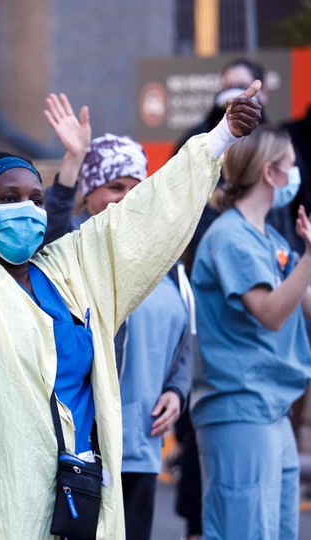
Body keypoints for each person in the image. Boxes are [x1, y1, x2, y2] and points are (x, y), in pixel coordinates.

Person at [0, 31, 261, 539]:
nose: (25, 209)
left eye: (35, 200)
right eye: (7, 199)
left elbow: (142, 218)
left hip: (74, 495)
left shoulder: (68, 271)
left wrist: (220, 137)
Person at [43, 112, 193, 540]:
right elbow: (53, 232)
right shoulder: (75, 252)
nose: (127, 198)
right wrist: (73, 160)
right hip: (89, 448)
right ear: (89, 193)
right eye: (114, 187)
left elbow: (183, 343)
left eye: (135, 187)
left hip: (143, 448)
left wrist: (176, 391)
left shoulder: (167, 262)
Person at [190, 124, 311, 540]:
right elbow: (272, 313)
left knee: (276, 530)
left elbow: (303, 301)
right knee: (243, 530)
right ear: (269, 172)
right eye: (292, 166)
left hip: (269, 407)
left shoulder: (269, 238)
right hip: (239, 405)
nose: (298, 175)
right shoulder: (229, 238)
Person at [172, 57, 267, 540]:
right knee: (203, 442)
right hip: (209, 302)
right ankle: (194, 524)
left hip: (258, 367)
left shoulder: (269, 146)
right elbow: (174, 200)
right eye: (228, 86)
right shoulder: (196, 141)